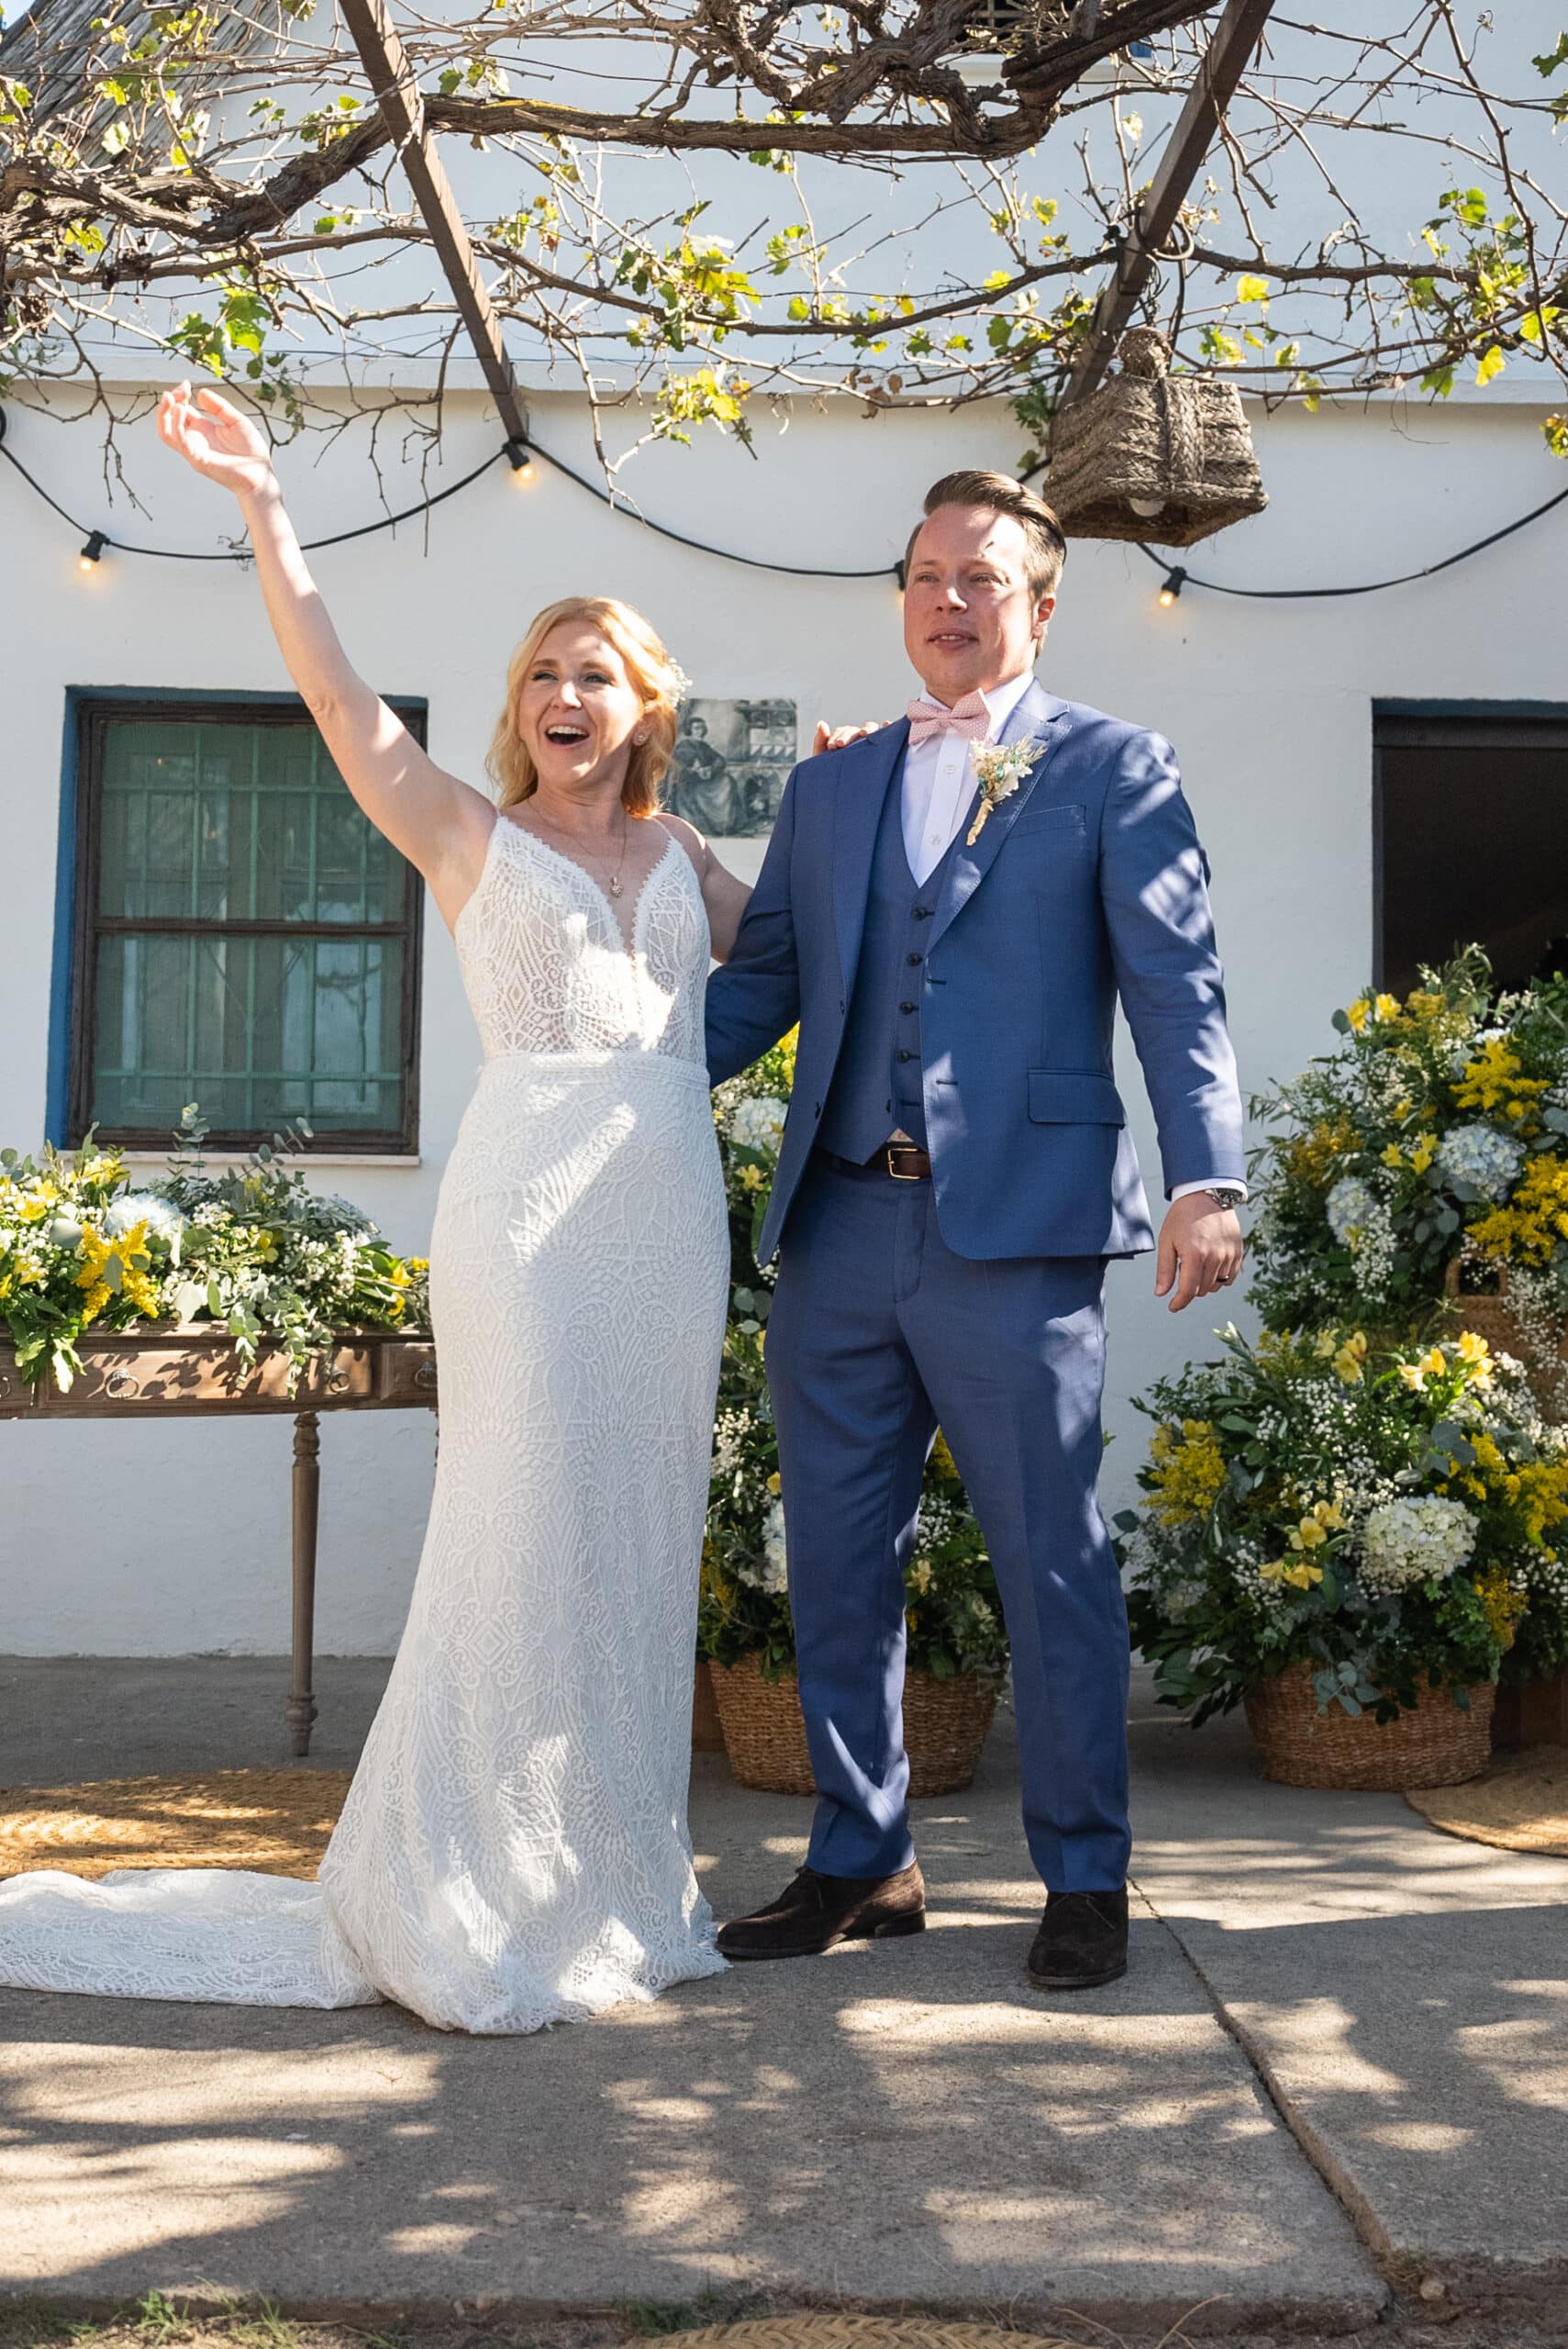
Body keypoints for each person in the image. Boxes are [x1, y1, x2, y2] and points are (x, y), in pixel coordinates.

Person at [0, 384, 751, 2032]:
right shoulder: (467, 831)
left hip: (667, 1225)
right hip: (526, 1229)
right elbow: (340, 704)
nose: (563, 696)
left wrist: (849, 794)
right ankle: (455, 1885)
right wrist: (265, 506)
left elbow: (815, 951)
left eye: (593, 674)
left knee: (632, 1549)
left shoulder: (690, 856)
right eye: (541, 675)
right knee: (520, 1529)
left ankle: (598, 1884)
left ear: (643, 705)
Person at [704, 468, 1246, 1993]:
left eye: (981, 579)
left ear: (1040, 607)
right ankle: (859, 1858)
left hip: (1017, 1232)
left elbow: (1176, 989)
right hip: (838, 1223)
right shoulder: (829, 789)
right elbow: (762, 988)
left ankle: (1082, 1876)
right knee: (833, 1564)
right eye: (926, 574)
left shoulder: (1115, 768)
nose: (947, 600)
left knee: (1049, 1565)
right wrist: (605, 1073)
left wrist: (1207, 1179)